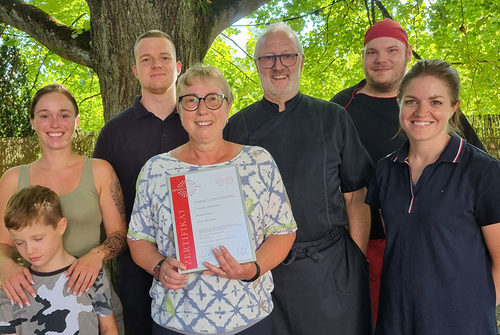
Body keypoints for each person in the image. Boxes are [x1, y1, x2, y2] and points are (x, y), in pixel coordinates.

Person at [330, 18, 485, 322]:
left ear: (407, 52)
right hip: (366, 241)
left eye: (391, 50)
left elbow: (477, 169)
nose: (381, 59)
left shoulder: (433, 107)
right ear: (363, 57)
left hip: (436, 240)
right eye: (371, 52)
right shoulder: (341, 107)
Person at [224, 23, 373, 335]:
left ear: (301, 60)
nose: (278, 65)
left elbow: (356, 196)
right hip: (264, 270)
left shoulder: (333, 118)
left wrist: (356, 261)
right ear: (257, 65)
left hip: (330, 269)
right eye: (268, 58)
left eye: (287, 56)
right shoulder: (236, 128)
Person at [127, 64, 297, 334]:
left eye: (213, 99)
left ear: (228, 106)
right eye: (191, 100)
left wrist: (253, 269)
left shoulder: (258, 162)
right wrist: (158, 267)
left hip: (248, 316)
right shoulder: (156, 170)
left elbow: (283, 231)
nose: (202, 109)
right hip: (176, 321)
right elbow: (138, 238)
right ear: (179, 110)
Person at [366, 59, 500, 334]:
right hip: (397, 319)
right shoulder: (385, 170)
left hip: (460, 323)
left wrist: (474, 311)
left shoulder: (483, 171)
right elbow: (400, 242)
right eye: (412, 101)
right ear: (399, 104)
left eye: (436, 102)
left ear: (454, 107)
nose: (422, 111)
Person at [0, 84, 127, 333]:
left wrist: (96, 255)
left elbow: (120, 236)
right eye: (45, 115)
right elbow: (3, 244)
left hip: (90, 294)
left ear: (77, 121)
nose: (55, 123)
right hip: (31, 299)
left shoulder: (100, 171)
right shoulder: (12, 179)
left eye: (64, 115)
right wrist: (5, 264)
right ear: (33, 122)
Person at [94, 30, 189, 334]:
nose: (156, 65)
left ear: (178, 67)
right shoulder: (113, 133)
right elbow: (100, 201)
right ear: (135, 70)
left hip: (195, 262)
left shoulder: (201, 123)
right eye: (146, 59)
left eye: (164, 58)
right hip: (135, 268)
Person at [0, 185, 118, 334]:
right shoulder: (13, 286)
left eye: (38, 238)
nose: (29, 250)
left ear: (61, 226)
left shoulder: (92, 274)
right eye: (19, 243)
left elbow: (108, 328)